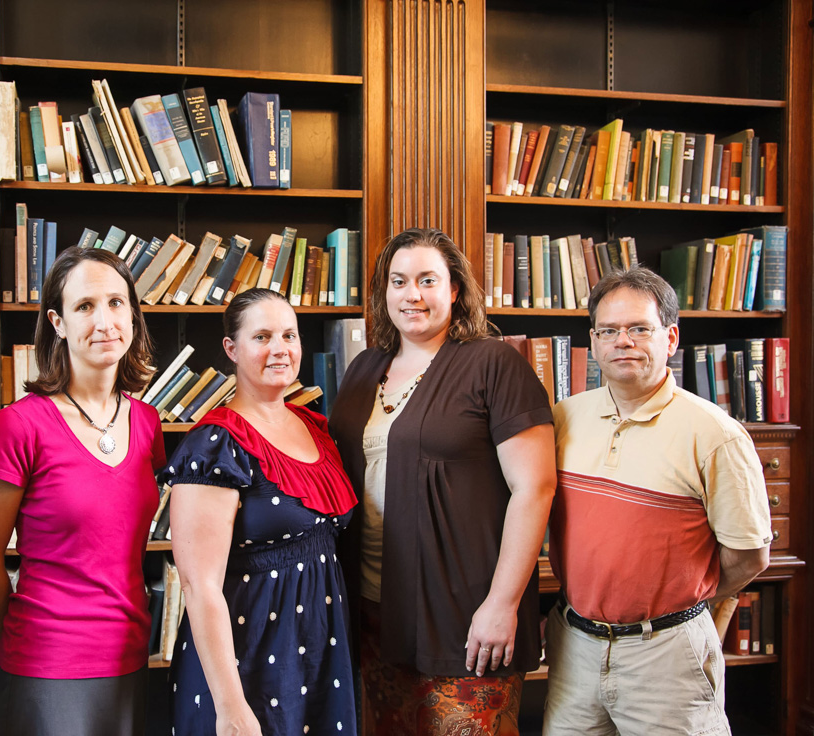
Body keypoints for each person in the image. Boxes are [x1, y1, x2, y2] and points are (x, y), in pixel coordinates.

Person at [329, 227, 556, 735]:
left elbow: (535, 488)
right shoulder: (366, 369)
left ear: (454, 290)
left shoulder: (493, 364)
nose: (412, 295)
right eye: (399, 281)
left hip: (466, 615)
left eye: (427, 280)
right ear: (383, 293)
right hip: (373, 610)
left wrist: (503, 604)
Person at [543, 267, 772, 735]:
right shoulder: (563, 418)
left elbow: (749, 556)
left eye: (639, 329)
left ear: (670, 338)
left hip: (666, 653)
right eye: (609, 331)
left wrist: (675, 605)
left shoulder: (715, 434)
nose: (622, 341)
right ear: (594, 340)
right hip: (575, 648)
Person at [0, 247, 162, 736]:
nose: (105, 321)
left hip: (130, 656)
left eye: (117, 303)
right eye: (85, 306)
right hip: (45, 666)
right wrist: (28, 641)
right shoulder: (19, 425)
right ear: (57, 322)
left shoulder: (147, 422)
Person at [165, 288, 360, 736]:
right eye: (263, 337)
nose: (281, 350)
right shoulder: (214, 445)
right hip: (247, 660)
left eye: (289, 335)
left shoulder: (317, 428)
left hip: (320, 651)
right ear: (232, 349)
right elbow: (199, 586)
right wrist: (231, 706)